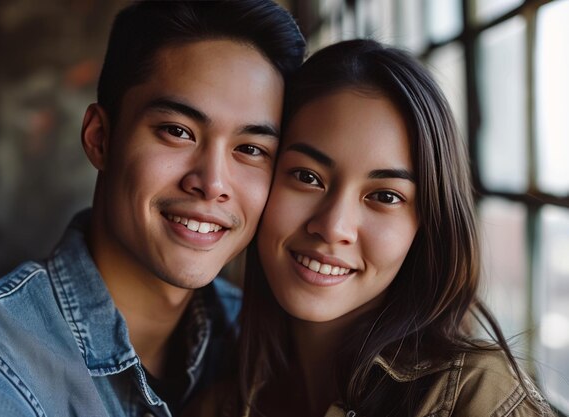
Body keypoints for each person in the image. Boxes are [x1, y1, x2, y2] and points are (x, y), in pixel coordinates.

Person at [0, 2, 305, 417]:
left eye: (251, 149)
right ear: (100, 138)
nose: (212, 183)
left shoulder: (257, 343)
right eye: (177, 131)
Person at [226, 39, 552, 416]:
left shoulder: (477, 399)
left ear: (428, 226)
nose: (333, 227)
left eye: (385, 197)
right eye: (307, 176)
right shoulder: (217, 400)